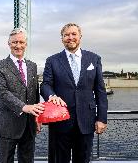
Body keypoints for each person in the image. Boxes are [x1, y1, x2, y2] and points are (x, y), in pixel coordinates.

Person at [41, 23, 108, 163]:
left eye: (73, 34)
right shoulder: (52, 60)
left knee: (83, 159)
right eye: (66, 35)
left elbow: (100, 90)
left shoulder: (94, 59)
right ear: (62, 38)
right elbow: (45, 85)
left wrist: (101, 118)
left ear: (80, 36)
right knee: (59, 160)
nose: (70, 38)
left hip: (87, 121)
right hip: (60, 121)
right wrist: (52, 96)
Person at [0, 28, 45, 163]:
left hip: (29, 126)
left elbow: (34, 93)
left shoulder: (32, 66)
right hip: (7, 124)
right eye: (14, 42)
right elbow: (2, 92)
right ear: (8, 44)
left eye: (21, 42)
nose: (18, 45)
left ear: (26, 44)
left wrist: (37, 117)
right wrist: (24, 107)